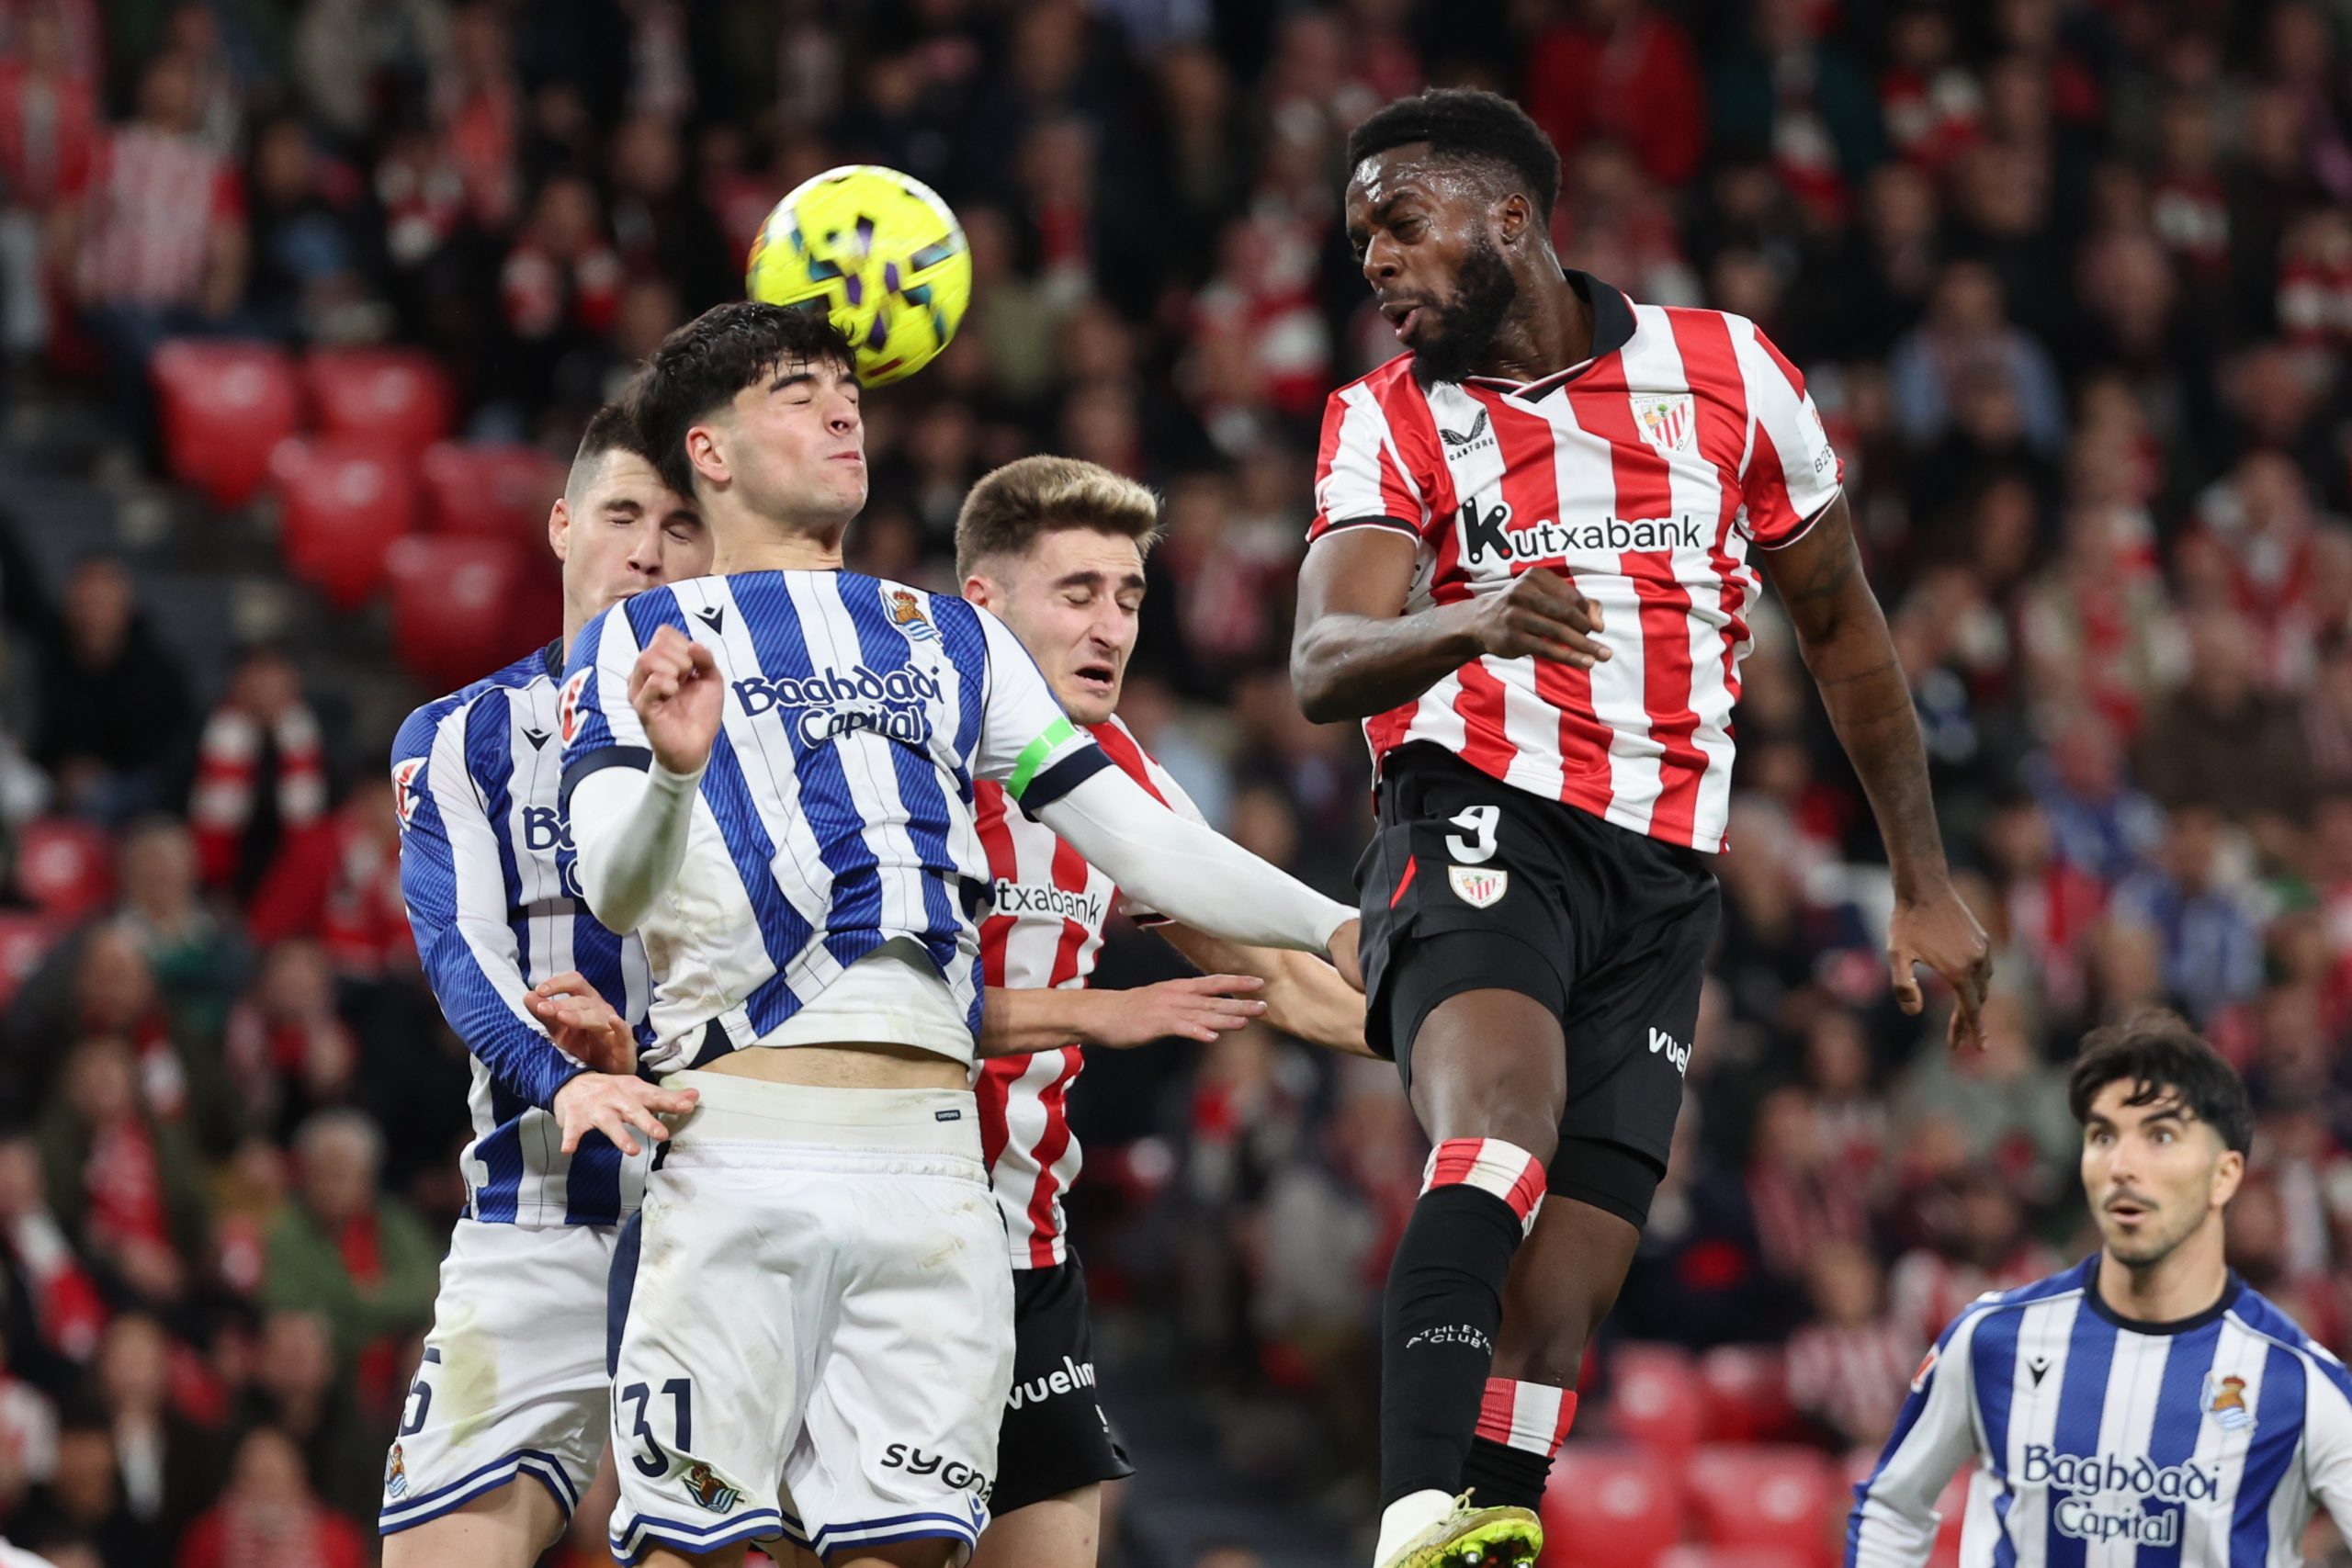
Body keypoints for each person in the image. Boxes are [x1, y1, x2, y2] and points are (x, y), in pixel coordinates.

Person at [1288, 88, 1991, 1568]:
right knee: (1499, 1129)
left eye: (1401, 226)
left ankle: (1496, 1527)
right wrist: (1471, 615)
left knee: (1570, 1288)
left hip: (1666, 871)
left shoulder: (1726, 371)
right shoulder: (1389, 419)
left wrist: (1921, 883)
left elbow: (1846, 635)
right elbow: (1319, 660)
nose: (1378, 265)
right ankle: (1413, 1510)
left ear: (1513, 221)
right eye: (1363, 241)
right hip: (1477, 813)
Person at [567, 300, 1362, 1568]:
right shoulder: (636, 641)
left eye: (846, 387)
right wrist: (671, 774)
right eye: (796, 391)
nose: (842, 408)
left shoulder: (952, 644)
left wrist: (1339, 920)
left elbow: (1151, 845)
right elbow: (611, 887)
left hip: (935, 1175)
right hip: (741, 1141)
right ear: (708, 455)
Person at [951, 455, 1369, 1568]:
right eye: (1077, 593)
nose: (1111, 626)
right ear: (982, 606)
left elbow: (1281, 980)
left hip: (1029, 1252)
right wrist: (1099, 1014)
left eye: (1129, 598)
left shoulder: (1125, 774)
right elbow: (869, 1015)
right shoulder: (914, 759)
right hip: (894, 1240)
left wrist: (1466, 1040)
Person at [378, 400, 710, 1567]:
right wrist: (558, 1082)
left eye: (681, 525)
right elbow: (459, 952)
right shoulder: (462, 735)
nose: (649, 550)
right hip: (536, 1215)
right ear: (562, 526)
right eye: (622, 514)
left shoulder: (765, 738)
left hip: (727, 1214)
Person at [1847, 1011, 2352, 1565]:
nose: (2124, 1164)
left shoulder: (2298, 1380)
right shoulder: (1992, 1339)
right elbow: (1891, 1510)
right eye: (2104, 1135)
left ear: (2224, 1176)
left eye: (2161, 1137)